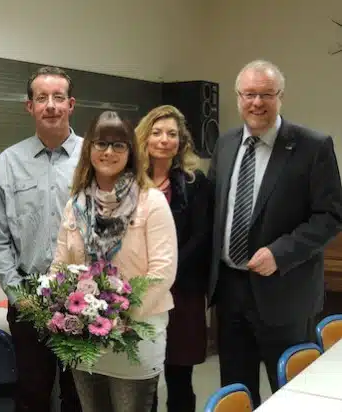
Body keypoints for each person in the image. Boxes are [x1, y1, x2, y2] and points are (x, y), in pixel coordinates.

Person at [208, 59, 342, 406]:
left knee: (293, 393)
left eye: (266, 94)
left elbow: (330, 216)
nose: (257, 103)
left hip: (286, 293)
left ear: (280, 96)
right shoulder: (225, 145)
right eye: (249, 94)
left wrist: (280, 253)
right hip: (231, 292)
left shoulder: (312, 146)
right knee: (237, 390)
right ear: (238, 97)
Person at [53, 110, 178, 412]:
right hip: (86, 339)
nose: (108, 152)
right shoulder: (77, 204)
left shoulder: (151, 201)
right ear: (90, 149)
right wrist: (59, 306)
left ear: (130, 151)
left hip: (134, 335)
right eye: (101, 143)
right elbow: (59, 266)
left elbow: (163, 271)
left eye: (119, 145)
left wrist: (119, 317)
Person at [0, 66, 83, 412]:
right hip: (28, 298)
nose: (51, 105)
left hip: (84, 301)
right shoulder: (8, 163)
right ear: (29, 106)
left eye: (59, 97)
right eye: (41, 98)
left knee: (79, 395)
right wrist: (18, 294)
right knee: (31, 393)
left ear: (71, 104)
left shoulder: (95, 159)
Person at [139, 105, 212, 412]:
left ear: (181, 142)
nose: (164, 140)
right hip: (139, 293)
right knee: (145, 376)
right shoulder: (130, 181)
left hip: (183, 293)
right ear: (144, 138)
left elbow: (201, 237)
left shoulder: (196, 184)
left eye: (172, 134)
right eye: (156, 133)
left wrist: (165, 275)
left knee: (180, 376)